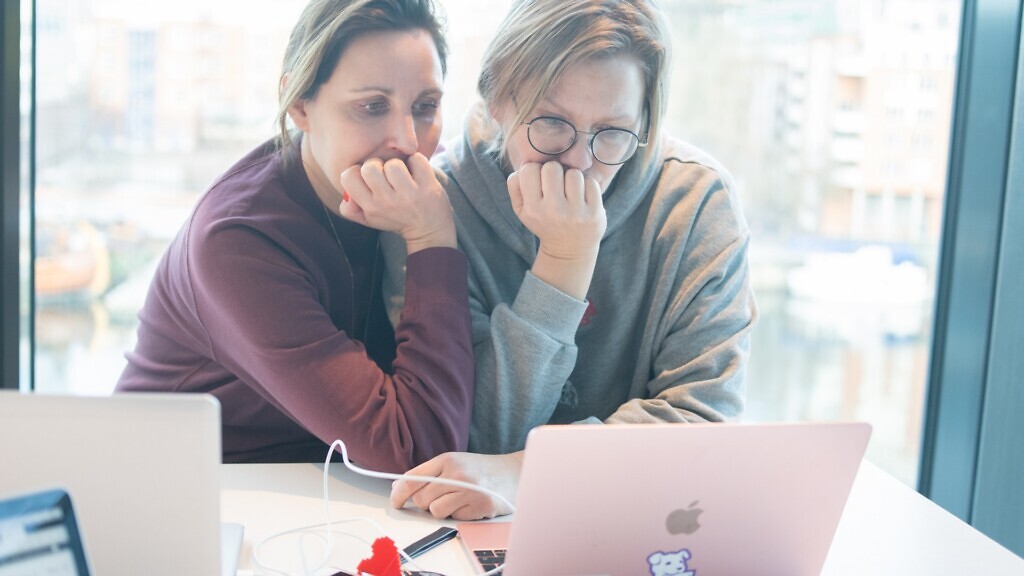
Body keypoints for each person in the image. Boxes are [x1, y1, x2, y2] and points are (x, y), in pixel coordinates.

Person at [384, 0, 758, 519]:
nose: (580, 164)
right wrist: (564, 261)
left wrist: (534, 472)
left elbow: (704, 420)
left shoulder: (696, 205)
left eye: (612, 132)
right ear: (497, 99)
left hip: (644, 518)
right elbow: (475, 435)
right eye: (552, 123)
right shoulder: (434, 208)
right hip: (475, 527)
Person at [116, 0, 474, 473]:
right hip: (192, 491)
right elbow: (418, 450)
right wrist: (430, 238)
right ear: (300, 104)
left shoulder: (421, 186)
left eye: (425, 107)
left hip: (328, 487)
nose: (407, 140)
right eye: (371, 106)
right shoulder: (238, 241)